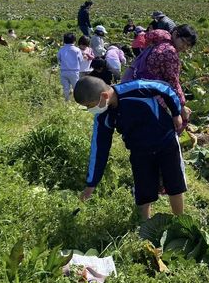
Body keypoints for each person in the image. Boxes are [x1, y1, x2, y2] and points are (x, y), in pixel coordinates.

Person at [73, 76, 186, 220]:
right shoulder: (103, 117)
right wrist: (91, 184)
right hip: (139, 151)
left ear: (104, 95)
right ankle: (146, 225)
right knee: (144, 190)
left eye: (90, 105)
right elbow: (99, 149)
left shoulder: (136, 88)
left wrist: (176, 113)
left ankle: (180, 220)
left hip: (165, 141)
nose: (90, 109)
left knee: (174, 184)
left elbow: (165, 88)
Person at [144, 25, 197, 126]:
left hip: (141, 86)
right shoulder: (170, 52)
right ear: (176, 34)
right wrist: (181, 106)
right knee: (171, 124)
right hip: (152, 94)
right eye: (183, 42)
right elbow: (172, 81)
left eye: (187, 45)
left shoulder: (160, 41)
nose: (184, 47)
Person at [57, 33, 83, 101]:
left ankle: (67, 100)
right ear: (74, 41)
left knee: (66, 87)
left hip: (64, 71)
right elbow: (81, 59)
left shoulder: (61, 49)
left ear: (64, 41)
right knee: (76, 87)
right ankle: (77, 100)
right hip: (74, 71)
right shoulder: (77, 50)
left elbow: (58, 59)